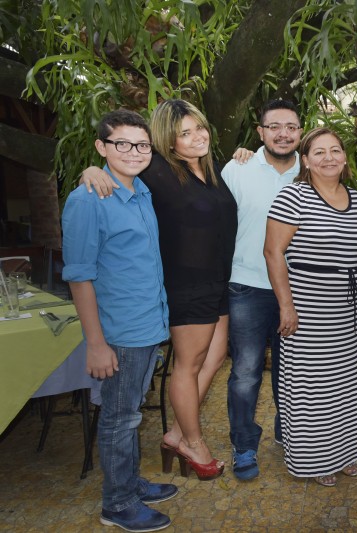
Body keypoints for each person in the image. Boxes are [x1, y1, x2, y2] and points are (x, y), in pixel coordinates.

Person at [81, 99, 237, 481]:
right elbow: (119, 170)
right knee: (188, 366)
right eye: (184, 133)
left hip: (218, 281)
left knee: (213, 359)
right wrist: (91, 170)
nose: (196, 137)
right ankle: (193, 444)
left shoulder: (211, 169)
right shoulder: (158, 169)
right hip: (186, 284)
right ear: (167, 140)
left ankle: (176, 434)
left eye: (199, 128)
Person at [63, 110, 174, 532]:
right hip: (119, 332)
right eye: (121, 144)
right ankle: (117, 503)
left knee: (129, 412)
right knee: (119, 417)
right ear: (101, 147)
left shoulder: (141, 191)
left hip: (148, 325)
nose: (133, 152)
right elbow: (79, 275)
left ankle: (129, 482)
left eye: (141, 145)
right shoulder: (88, 199)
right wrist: (95, 343)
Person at [264, 127, 357, 487]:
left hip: (346, 309)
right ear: (305, 160)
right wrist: (286, 306)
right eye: (319, 152)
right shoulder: (293, 196)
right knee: (312, 387)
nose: (329, 158)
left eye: (335, 150)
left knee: (345, 383)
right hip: (306, 307)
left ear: (344, 157)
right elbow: (273, 252)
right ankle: (315, 460)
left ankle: (346, 453)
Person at [221, 99, 302, 480]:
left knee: (293, 371)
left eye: (290, 126)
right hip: (247, 287)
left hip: (298, 290)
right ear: (260, 132)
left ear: (301, 132)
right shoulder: (236, 170)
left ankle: (291, 436)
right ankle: (243, 446)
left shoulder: (314, 170)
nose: (283, 133)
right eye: (275, 126)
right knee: (247, 371)